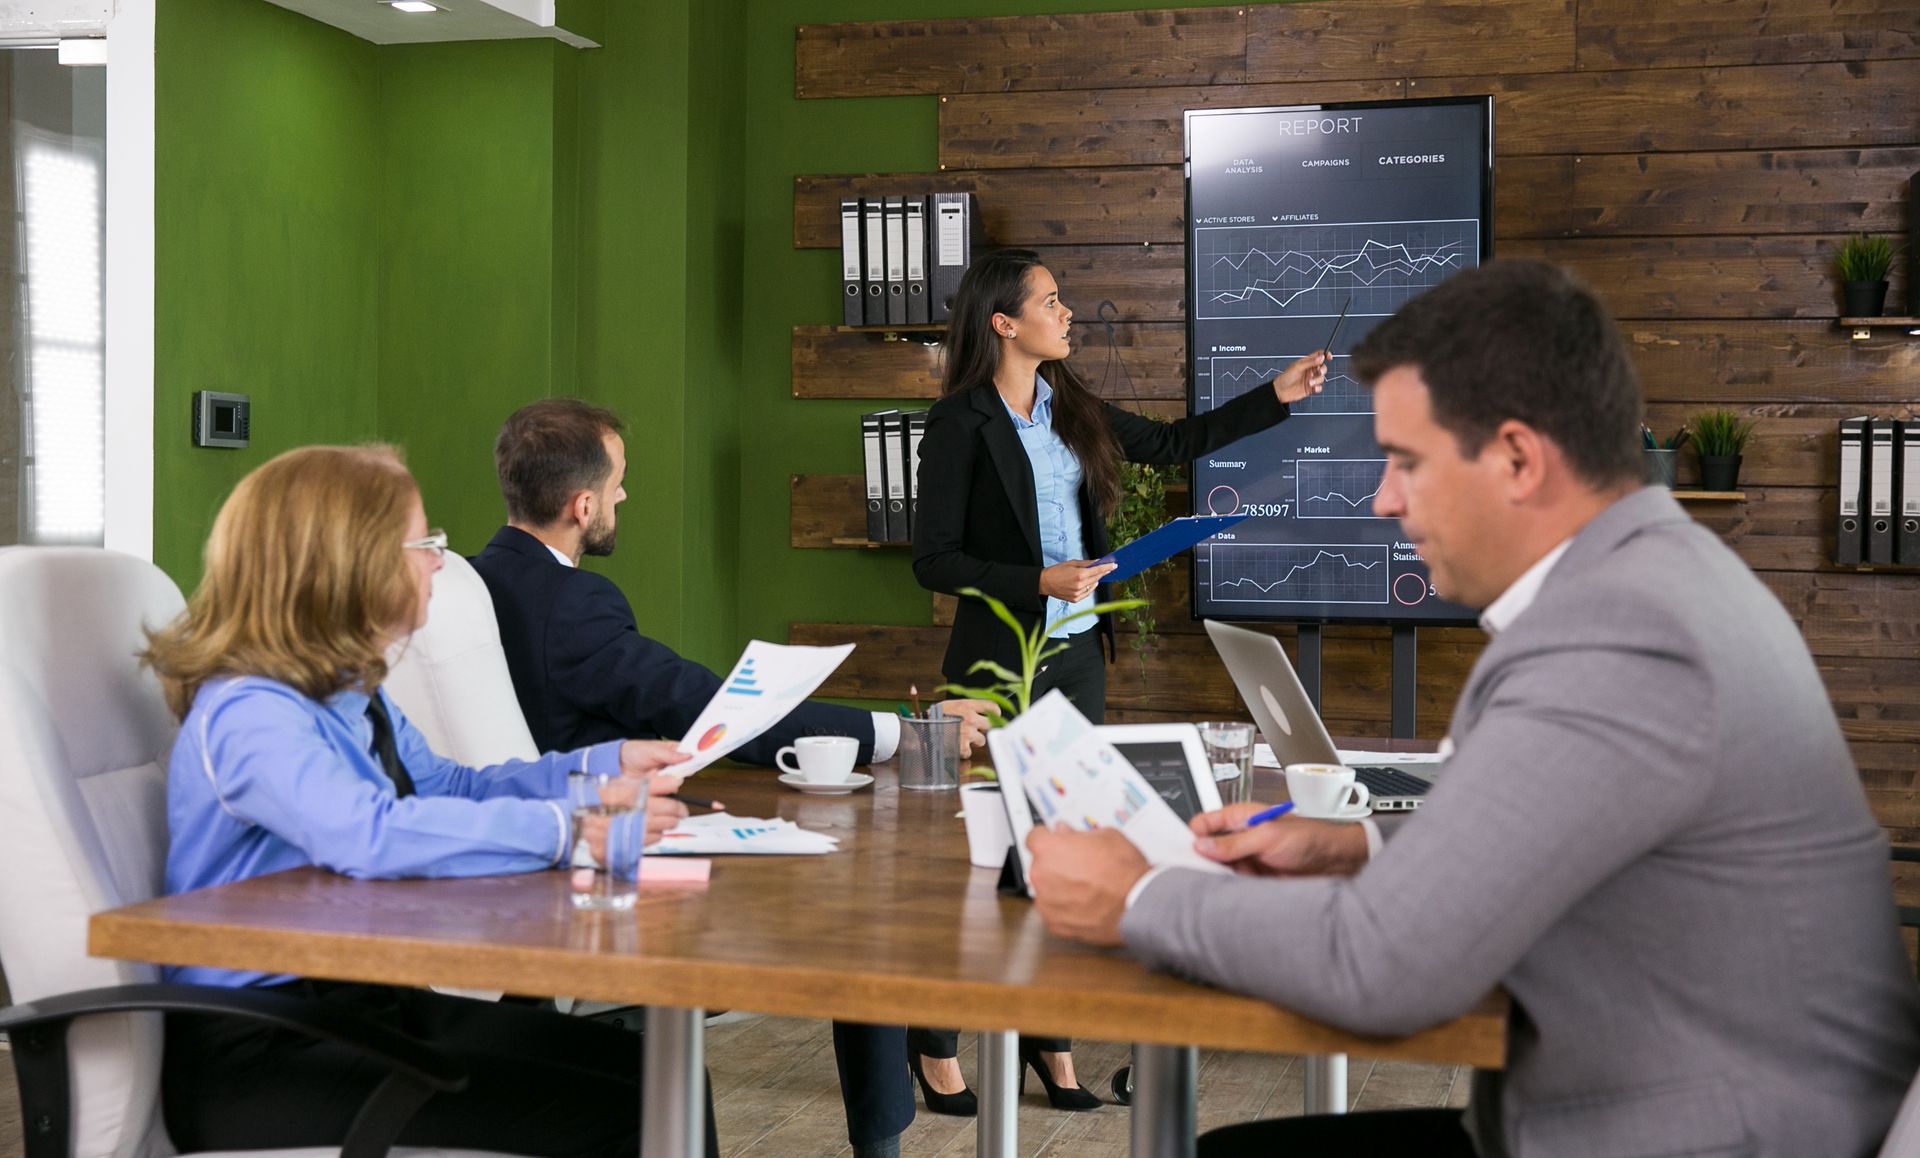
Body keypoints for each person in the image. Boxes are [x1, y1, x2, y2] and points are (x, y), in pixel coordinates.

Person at [1023, 260, 1920, 1157]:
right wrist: (1358, 845)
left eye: (1408, 463)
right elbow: (1565, 828)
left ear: (1519, 460)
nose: (1384, 499)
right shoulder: (1649, 581)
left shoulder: (1620, 636)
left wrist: (1137, 896)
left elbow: (1380, 966)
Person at [144, 444, 715, 1158]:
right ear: (352, 564)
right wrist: (572, 831)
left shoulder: (349, 690)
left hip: (366, 1007)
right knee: (633, 1116)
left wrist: (603, 767)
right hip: (269, 1051)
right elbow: (370, 835)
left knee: (666, 1078)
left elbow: (453, 788)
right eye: (424, 544)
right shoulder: (251, 710)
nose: (440, 562)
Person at [471, 398, 967, 1158]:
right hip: (606, 858)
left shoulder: (480, 580)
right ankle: (881, 1145)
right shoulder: (572, 603)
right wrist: (900, 731)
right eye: (617, 482)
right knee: (863, 910)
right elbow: (707, 708)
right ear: (582, 506)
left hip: (551, 832)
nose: (625, 494)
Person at [907, 248, 1327, 1113]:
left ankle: (1049, 1040)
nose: (1067, 314)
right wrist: (1039, 580)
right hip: (1001, 660)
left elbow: (1173, 444)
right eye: (1051, 301)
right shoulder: (959, 424)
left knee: (1066, 846)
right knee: (993, 856)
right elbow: (933, 560)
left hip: (1072, 657)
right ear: (1004, 323)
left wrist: (1276, 396)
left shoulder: (1071, 405)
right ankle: (934, 1040)